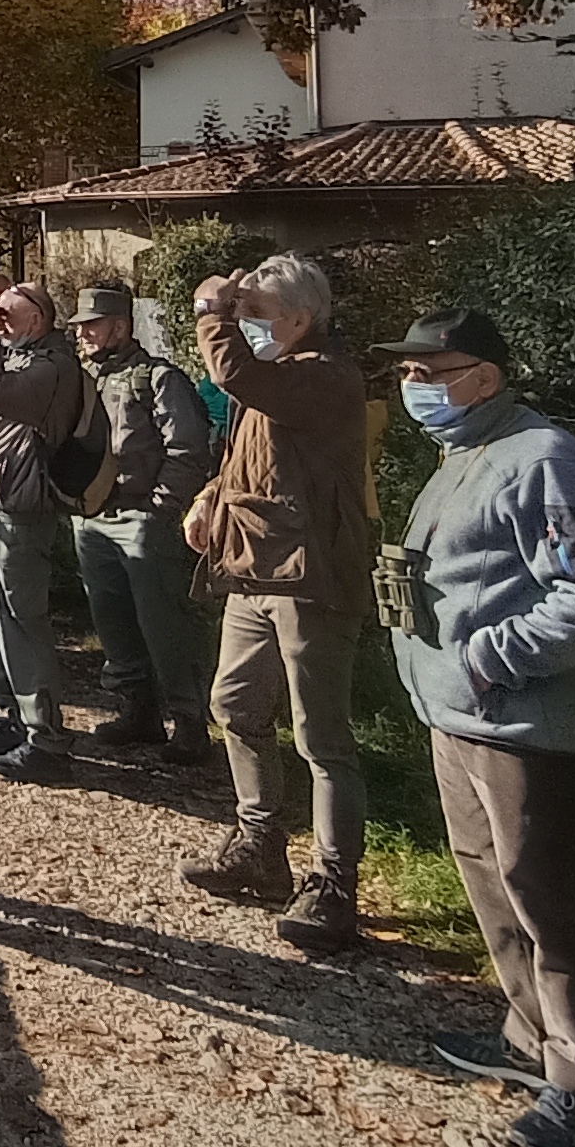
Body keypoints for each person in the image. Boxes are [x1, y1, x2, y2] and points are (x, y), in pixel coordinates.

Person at [377, 306, 575, 1147]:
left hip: (523, 724)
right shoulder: (462, 455)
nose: (414, 387)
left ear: (483, 377)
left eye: (431, 371)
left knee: (553, 903)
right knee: (492, 885)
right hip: (458, 718)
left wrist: (492, 658)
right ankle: (529, 1035)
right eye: (407, 374)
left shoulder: (542, 457)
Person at [179, 252, 377, 953]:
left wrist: (211, 307)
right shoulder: (277, 379)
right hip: (249, 568)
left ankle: (332, 881)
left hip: (310, 574)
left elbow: (234, 372)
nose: (244, 325)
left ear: (300, 319)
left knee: (321, 734)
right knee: (235, 705)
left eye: (256, 316)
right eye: (241, 315)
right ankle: (261, 845)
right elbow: (246, 452)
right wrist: (210, 497)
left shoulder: (326, 375)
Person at [72, 282, 217, 764]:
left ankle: (190, 723)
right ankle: (138, 712)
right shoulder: (82, 376)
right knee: (112, 621)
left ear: (122, 325)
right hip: (92, 516)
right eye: (82, 326)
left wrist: (160, 507)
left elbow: (187, 450)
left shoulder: (158, 379)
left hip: (141, 515)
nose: (86, 334)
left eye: (94, 325)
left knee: (163, 625)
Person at [0, 278, 90, 782]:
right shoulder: (18, 352)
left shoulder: (51, 367)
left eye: (8, 316)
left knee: (22, 621)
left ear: (37, 319)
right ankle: (13, 717)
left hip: (21, 510)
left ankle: (48, 739)